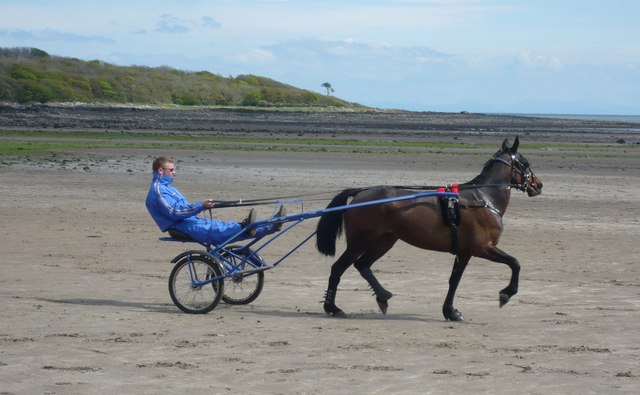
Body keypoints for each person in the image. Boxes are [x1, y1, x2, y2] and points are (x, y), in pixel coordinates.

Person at [146, 156, 285, 245]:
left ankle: (268, 226)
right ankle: (256, 226)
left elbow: (184, 208)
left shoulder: (169, 188)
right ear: (160, 170)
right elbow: (174, 212)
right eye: (171, 170)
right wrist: (201, 205)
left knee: (225, 225)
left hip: (191, 222)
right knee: (220, 231)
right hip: (180, 227)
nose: (174, 172)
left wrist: (203, 206)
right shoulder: (158, 190)